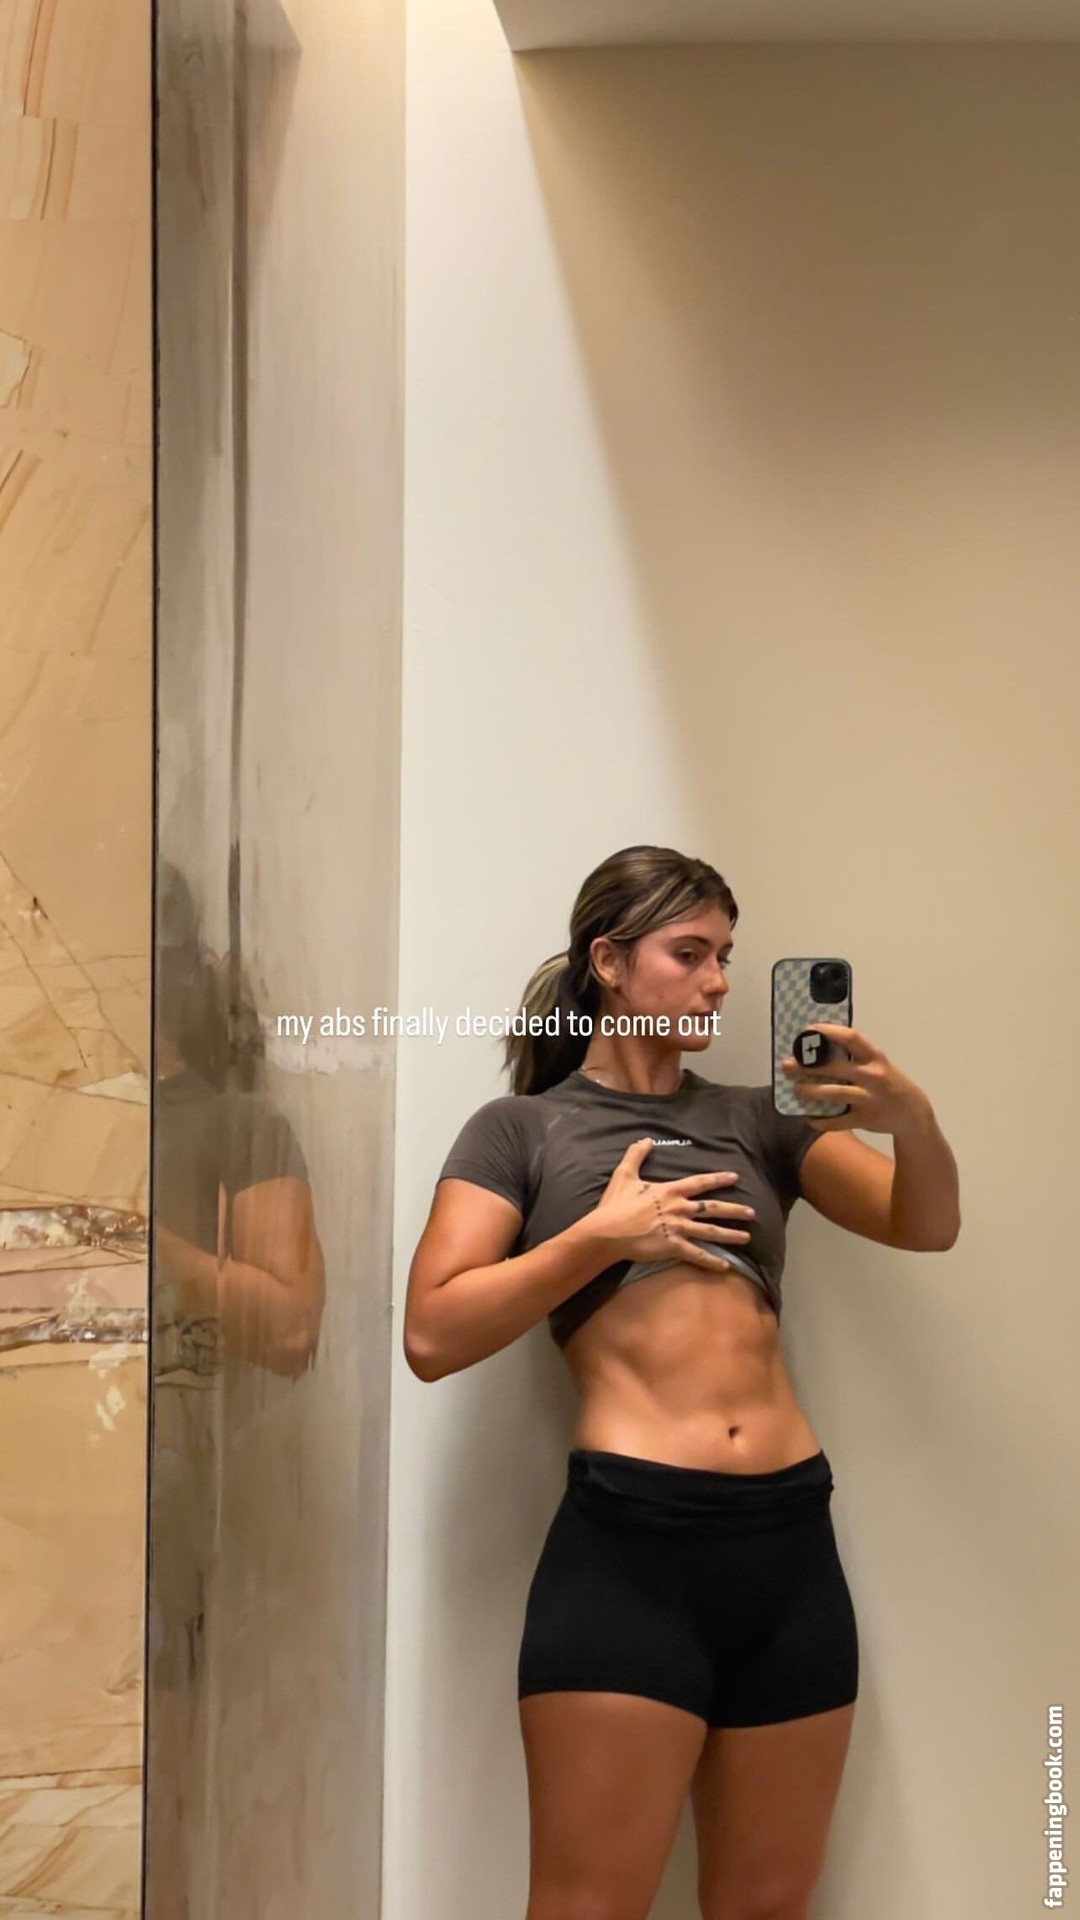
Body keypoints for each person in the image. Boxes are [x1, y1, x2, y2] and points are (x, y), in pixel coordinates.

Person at [404, 844, 960, 1920]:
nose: (717, 983)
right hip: (632, 1549)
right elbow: (432, 1332)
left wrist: (913, 1121)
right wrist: (602, 1237)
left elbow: (925, 1224)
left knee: (768, 1906)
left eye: (726, 958)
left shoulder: (764, 1118)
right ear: (609, 961)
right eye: (690, 953)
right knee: (587, 1906)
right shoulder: (522, 1129)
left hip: (789, 1545)